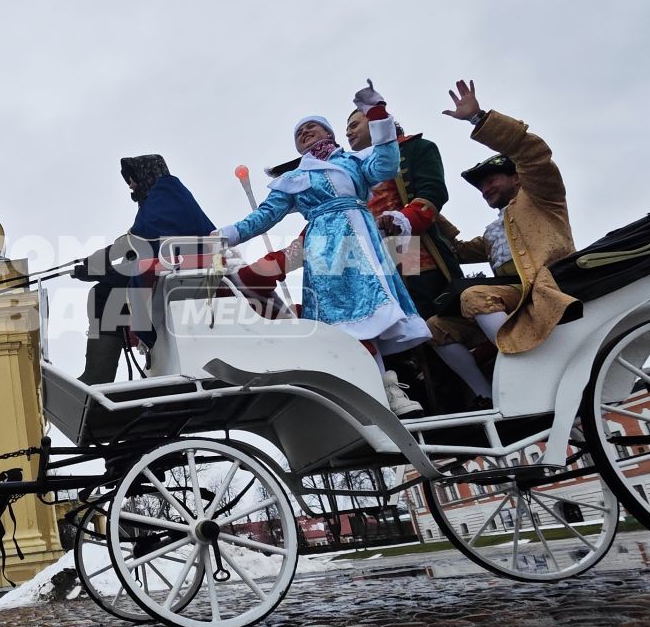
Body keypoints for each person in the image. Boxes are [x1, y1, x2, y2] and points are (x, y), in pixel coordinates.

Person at [213, 85, 429, 413]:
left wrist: (377, 113)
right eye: (299, 132)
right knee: (345, 318)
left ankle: (384, 387)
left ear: (328, 132)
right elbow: (263, 217)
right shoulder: (294, 178)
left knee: (367, 314)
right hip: (326, 246)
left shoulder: (354, 162)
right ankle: (380, 390)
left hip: (364, 240)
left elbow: (386, 165)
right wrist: (225, 236)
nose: (305, 132)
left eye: (312, 126)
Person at [347, 106, 491, 403]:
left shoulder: (416, 148)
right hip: (372, 261)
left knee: (426, 328)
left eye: (354, 124)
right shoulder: (350, 169)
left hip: (410, 247)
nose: (348, 132)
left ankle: (471, 401)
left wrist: (400, 220)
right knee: (395, 345)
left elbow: (433, 192)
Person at [443, 80, 577, 355]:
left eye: (491, 180)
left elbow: (533, 154)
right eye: (481, 187)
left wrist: (477, 118)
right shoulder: (494, 230)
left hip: (547, 289)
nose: (485, 189)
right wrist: (418, 212)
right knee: (436, 326)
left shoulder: (542, 197)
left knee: (475, 296)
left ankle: (521, 362)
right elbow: (454, 251)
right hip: (511, 297)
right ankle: (483, 396)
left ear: (517, 177)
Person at [74, 154, 216, 385]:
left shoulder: (164, 194)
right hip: (174, 266)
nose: (130, 185)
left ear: (146, 173)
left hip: (179, 268)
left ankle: (98, 374)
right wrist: (98, 264)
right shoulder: (168, 196)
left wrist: (99, 264)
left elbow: (136, 242)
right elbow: (141, 245)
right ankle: (101, 370)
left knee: (103, 294)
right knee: (109, 286)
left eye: (132, 179)